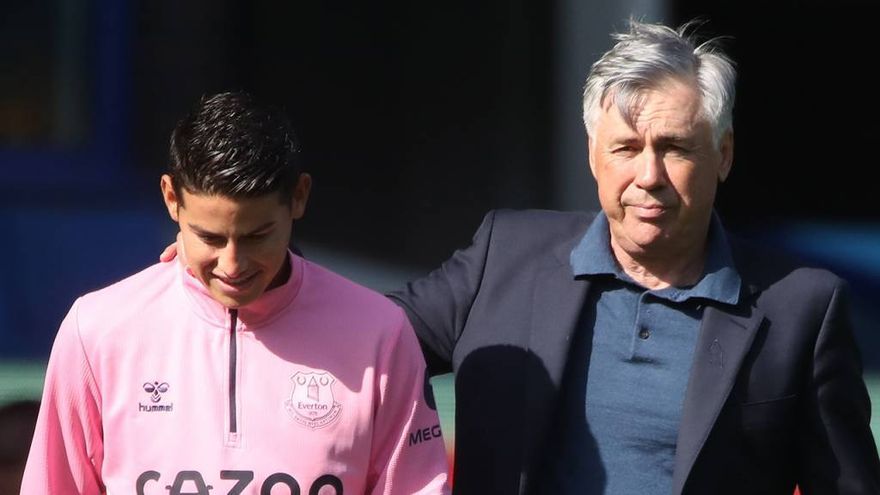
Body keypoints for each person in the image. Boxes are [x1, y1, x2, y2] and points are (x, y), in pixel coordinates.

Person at [386, 20, 880, 494]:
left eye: (675, 148)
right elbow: (366, 340)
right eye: (626, 148)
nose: (649, 176)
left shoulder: (801, 306)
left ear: (724, 154)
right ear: (592, 153)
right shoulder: (504, 254)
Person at [21, 92, 450, 494]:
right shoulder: (98, 330)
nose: (232, 265)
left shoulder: (378, 332)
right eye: (209, 237)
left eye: (256, 236)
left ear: (299, 197)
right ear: (171, 198)